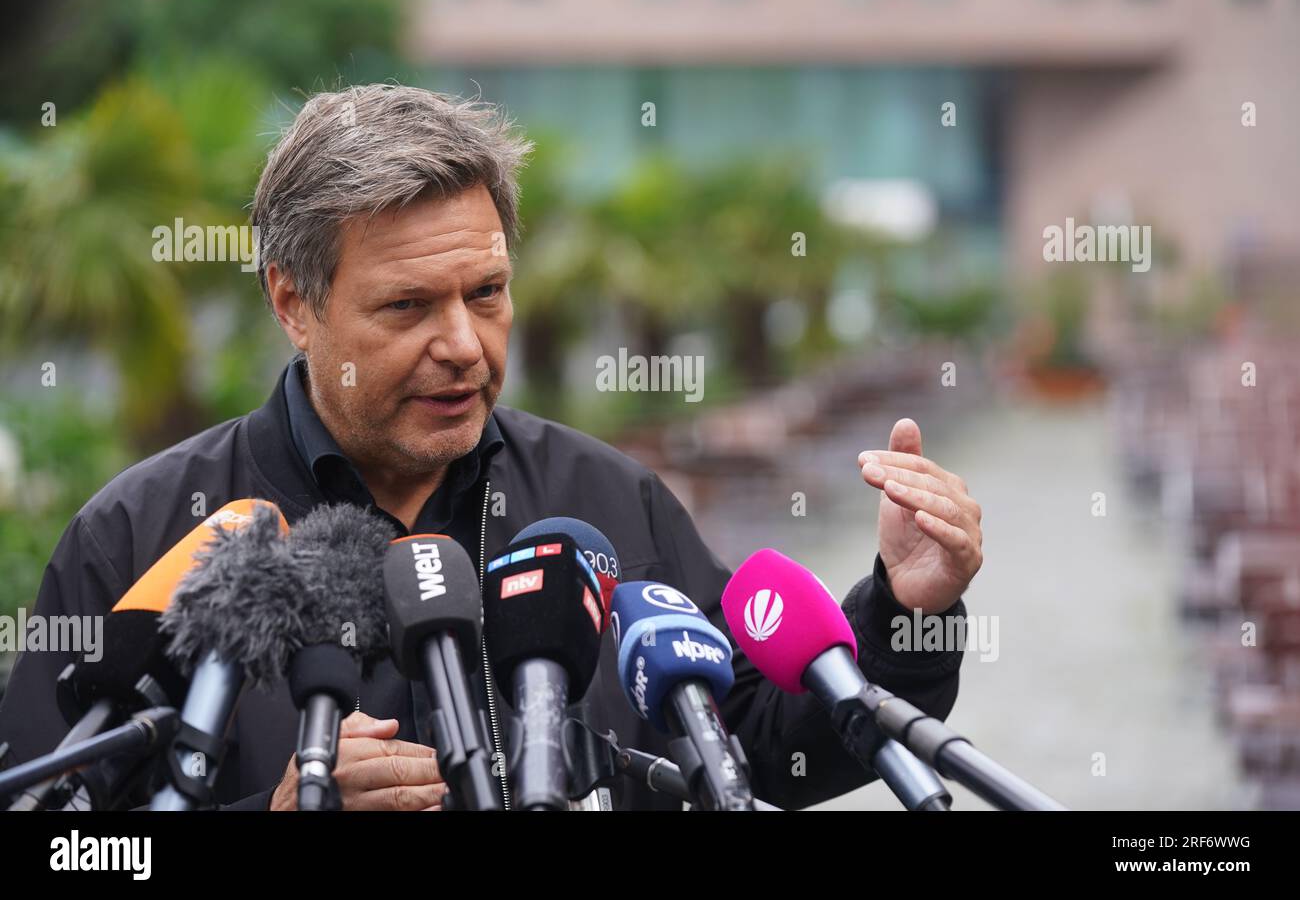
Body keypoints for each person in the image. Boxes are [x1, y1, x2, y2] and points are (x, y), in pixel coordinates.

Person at [0, 85, 983, 810]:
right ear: (293, 303)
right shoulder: (136, 536)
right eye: (407, 305)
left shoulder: (610, 501)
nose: (464, 344)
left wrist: (904, 609)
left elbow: (762, 746)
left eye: (486, 292)